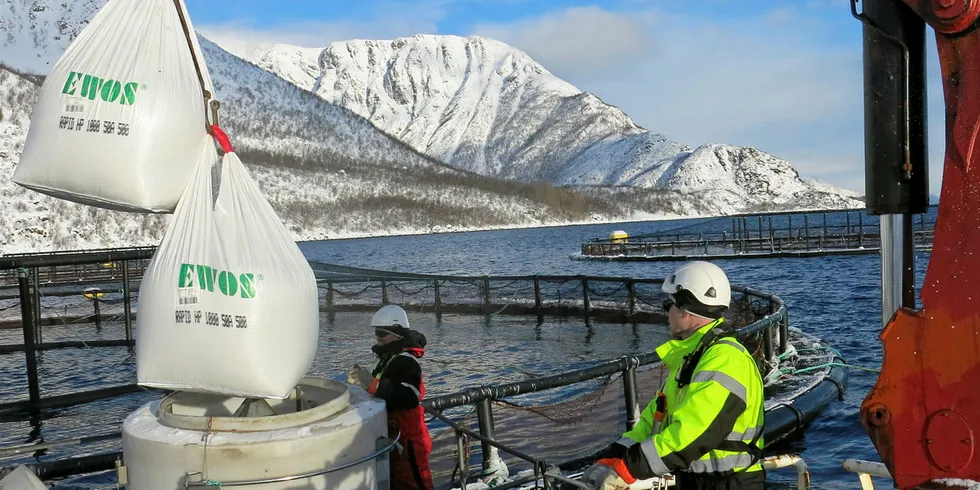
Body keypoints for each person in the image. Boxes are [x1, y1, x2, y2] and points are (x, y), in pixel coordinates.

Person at [579, 261, 766, 490]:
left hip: (729, 484)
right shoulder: (695, 356)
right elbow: (654, 419)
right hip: (696, 481)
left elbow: (693, 433)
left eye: (668, 304)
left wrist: (629, 468)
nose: (665, 312)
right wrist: (615, 454)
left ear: (686, 310)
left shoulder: (725, 359)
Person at [349, 305, 434, 490]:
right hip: (395, 435)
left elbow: (410, 396)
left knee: (416, 484)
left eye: (381, 333)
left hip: (409, 439)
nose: (378, 338)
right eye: (376, 334)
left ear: (397, 333)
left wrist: (373, 385)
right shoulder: (387, 358)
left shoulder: (405, 360)